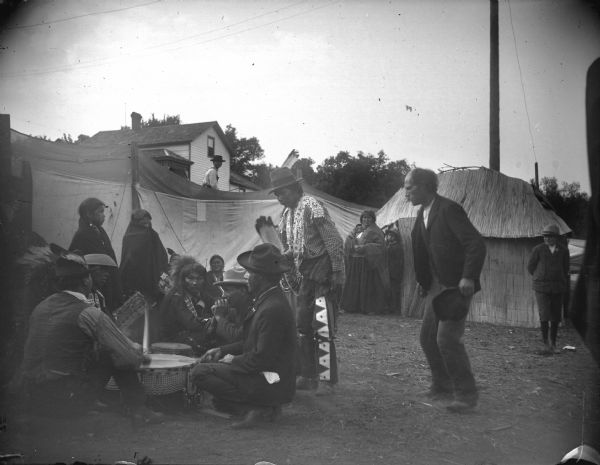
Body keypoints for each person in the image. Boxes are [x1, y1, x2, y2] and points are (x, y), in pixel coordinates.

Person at [19, 251, 162, 426]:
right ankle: (139, 410)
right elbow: (129, 357)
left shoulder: (41, 307)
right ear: (86, 281)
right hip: (66, 402)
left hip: (32, 398)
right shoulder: (88, 313)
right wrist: (136, 350)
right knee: (112, 352)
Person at [406, 167, 486, 413]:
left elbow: (476, 243)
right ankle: (442, 385)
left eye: (409, 187)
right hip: (435, 287)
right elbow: (423, 251)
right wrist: (423, 282)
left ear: (424, 186)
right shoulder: (422, 214)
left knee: (447, 340)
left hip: (455, 287)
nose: (406, 192)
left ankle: (466, 395)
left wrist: (468, 277)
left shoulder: (449, 209)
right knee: (427, 338)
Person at [191, 243, 296, 429]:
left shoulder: (272, 308)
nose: (246, 277)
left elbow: (262, 359)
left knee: (200, 373)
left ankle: (258, 407)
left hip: (269, 381)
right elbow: (249, 340)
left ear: (261, 277)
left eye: (250, 273)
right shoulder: (267, 300)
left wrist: (232, 360)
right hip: (267, 376)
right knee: (211, 374)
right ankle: (254, 406)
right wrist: (221, 350)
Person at [268, 167, 344, 395]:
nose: (280, 198)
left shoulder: (313, 206)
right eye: (277, 195)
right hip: (305, 277)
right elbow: (292, 247)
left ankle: (327, 379)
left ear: (293, 189)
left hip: (321, 273)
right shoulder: (287, 215)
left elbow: (333, 240)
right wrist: (285, 256)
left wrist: (338, 270)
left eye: (282, 193)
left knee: (321, 325)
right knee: (302, 325)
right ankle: (308, 375)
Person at [69, 197, 121, 313]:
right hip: (95, 288)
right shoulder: (82, 235)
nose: (104, 215)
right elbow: (76, 265)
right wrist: (92, 275)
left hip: (107, 283)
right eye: (100, 212)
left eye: (104, 211)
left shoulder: (100, 231)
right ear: (89, 214)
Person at [159, 256, 215, 354]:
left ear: (204, 280)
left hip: (190, 334)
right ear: (183, 279)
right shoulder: (176, 297)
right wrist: (215, 319)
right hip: (174, 340)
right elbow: (192, 324)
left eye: (199, 278)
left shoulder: (199, 293)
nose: (194, 282)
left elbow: (213, 303)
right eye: (190, 278)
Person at [527, 223, 570, 355]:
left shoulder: (563, 250)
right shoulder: (538, 249)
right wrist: (540, 276)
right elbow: (530, 267)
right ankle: (545, 343)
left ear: (556, 237)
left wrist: (559, 277)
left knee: (556, 315)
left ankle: (554, 344)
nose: (547, 239)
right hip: (541, 287)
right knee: (544, 314)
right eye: (545, 236)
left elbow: (565, 268)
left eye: (550, 236)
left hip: (558, 287)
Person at [341, 210, 390, 314]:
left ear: (373, 219)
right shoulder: (357, 229)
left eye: (368, 218)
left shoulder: (376, 231)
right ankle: (352, 306)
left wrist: (365, 247)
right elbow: (349, 240)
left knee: (368, 285)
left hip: (368, 262)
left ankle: (368, 307)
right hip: (356, 261)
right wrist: (352, 243)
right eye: (364, 218)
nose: (366, 220)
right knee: (355, 284)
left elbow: (381, 246)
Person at [119, 209, 168, 303]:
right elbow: (127, 258)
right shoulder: (129, 237)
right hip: (136, 277)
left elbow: (161, 255)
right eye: (142, 220)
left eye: (148, 219)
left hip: (152, 275)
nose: (146, 221)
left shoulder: (152, 234)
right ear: (135, 222)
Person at [212, 266, 253, 345]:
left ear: (243, 291)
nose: (223, 295)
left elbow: (237, 338)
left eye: (227, 290)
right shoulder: (235, 309)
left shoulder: (252, 309)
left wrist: (219, 316)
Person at [84, 253, 118, 319]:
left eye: (107, 270)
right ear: (91, 270)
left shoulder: (99, 293)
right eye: (103, 269)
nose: (107, 274)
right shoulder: (85, 293)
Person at [384, 228, 404, 314]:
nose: (389, 237)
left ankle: (395, 308)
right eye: (388, 235)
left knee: (394, 290)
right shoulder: (389, 245)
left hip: (394, 272)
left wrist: (396, 271)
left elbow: (399, 261)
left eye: (391, 235)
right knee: (390, 290)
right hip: (388, 271)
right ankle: (390, 307)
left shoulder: (397, 247)